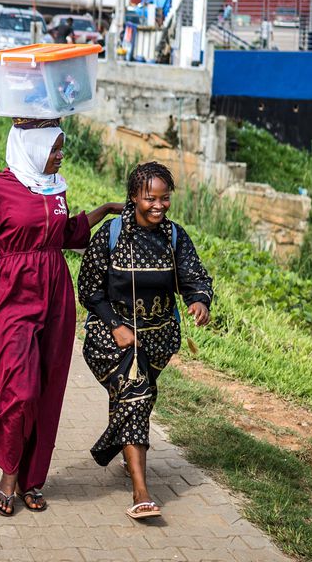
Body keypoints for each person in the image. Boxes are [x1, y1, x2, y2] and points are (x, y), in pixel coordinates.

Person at [0, 123, 127, 517]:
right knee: (22, 390)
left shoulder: (55, 187)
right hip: (13, 296)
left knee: (48, 390)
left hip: (55, 296)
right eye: (54, 149)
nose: (59, 156)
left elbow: (63, 234)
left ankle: (34, 479)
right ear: (32, 147)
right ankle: (10, 472)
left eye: (60, 149)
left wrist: (103, 212)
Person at [76, 161, 213, 521]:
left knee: (130, 396)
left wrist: (199, 300)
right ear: (134, 196)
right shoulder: (110, 235)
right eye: (150, 198)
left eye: (165, 198)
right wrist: (115, 325)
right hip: (111, 337)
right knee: (136, 395)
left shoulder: (174, 237)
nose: (158, 205)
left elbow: (193, 275)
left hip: (160, 340)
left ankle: (119, 445)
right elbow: (89, 290)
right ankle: (141, 491)